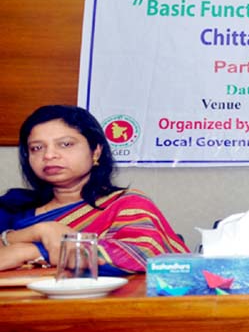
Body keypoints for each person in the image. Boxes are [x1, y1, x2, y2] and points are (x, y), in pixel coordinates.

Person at [0, 105, 188, 274]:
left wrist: (33, 251)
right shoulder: (12, 206)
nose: (49, 155)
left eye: (65, 144)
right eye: (37, 148)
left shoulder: (127, 204)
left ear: (95, 151)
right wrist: (38, 231)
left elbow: (143, 254)